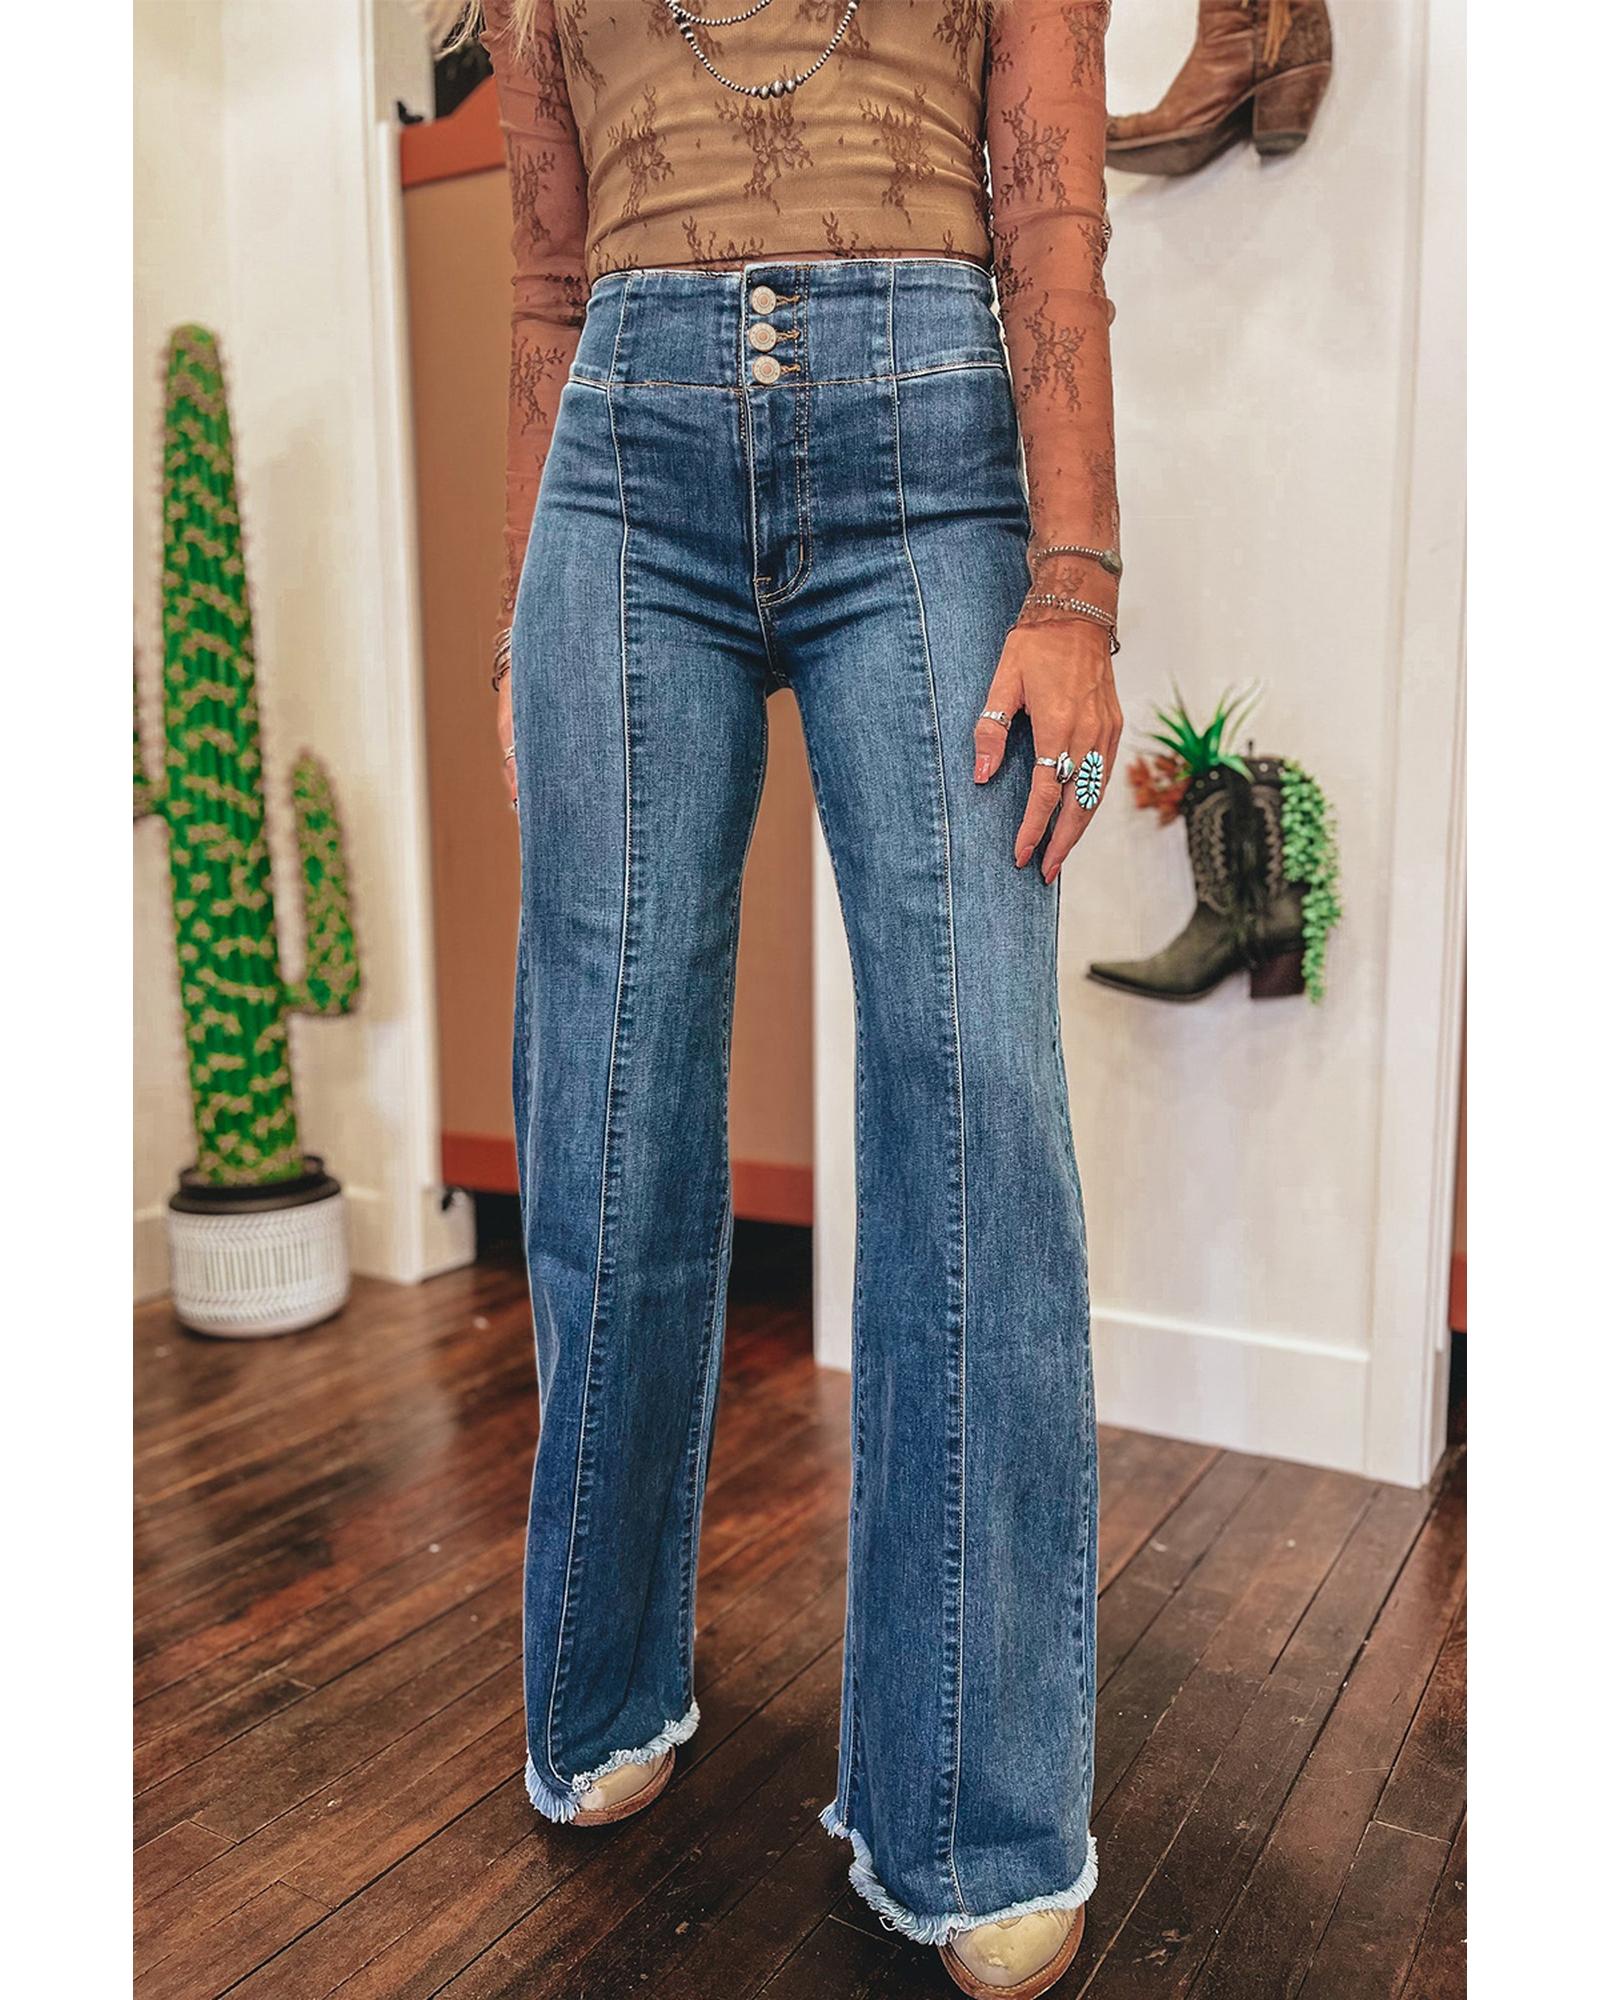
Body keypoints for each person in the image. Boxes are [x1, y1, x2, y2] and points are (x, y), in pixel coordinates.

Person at [474, 4, 1120, 1993]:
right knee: (606, 1103)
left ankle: (971, 1808)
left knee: (970, 1095)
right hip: (616, 462)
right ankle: (598, 1685)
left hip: (929, 440)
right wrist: (513, 621)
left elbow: (1049, 203)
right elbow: (541, 271)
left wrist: (1077, 581)